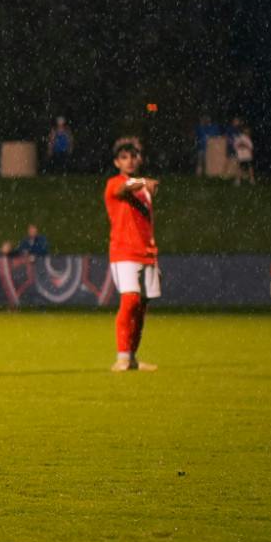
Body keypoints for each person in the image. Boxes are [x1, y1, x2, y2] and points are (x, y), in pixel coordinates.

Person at [104, 138, 160, 372]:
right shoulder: (114, 183)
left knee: (141, 308)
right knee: (130, 300)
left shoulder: (145, 190)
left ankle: (133, 358)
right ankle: (122, 357)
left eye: (133, 156)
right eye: (124, 157)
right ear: (117, 162)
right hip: (124, 251)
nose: (129, 161)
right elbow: (122, 189)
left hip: (147, 252)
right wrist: (142, 182)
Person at [194, 111, 222, 175]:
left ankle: (210, 173)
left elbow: (218, 136)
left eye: (207, 118)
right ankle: (199, 174)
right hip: (202, 147)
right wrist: (201, 124)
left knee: (210, 161)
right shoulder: (200, 127)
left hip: (212, 148)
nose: (206, 119)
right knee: (200, 161)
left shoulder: (214, 127)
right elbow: (198, 134)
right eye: (204, 118)